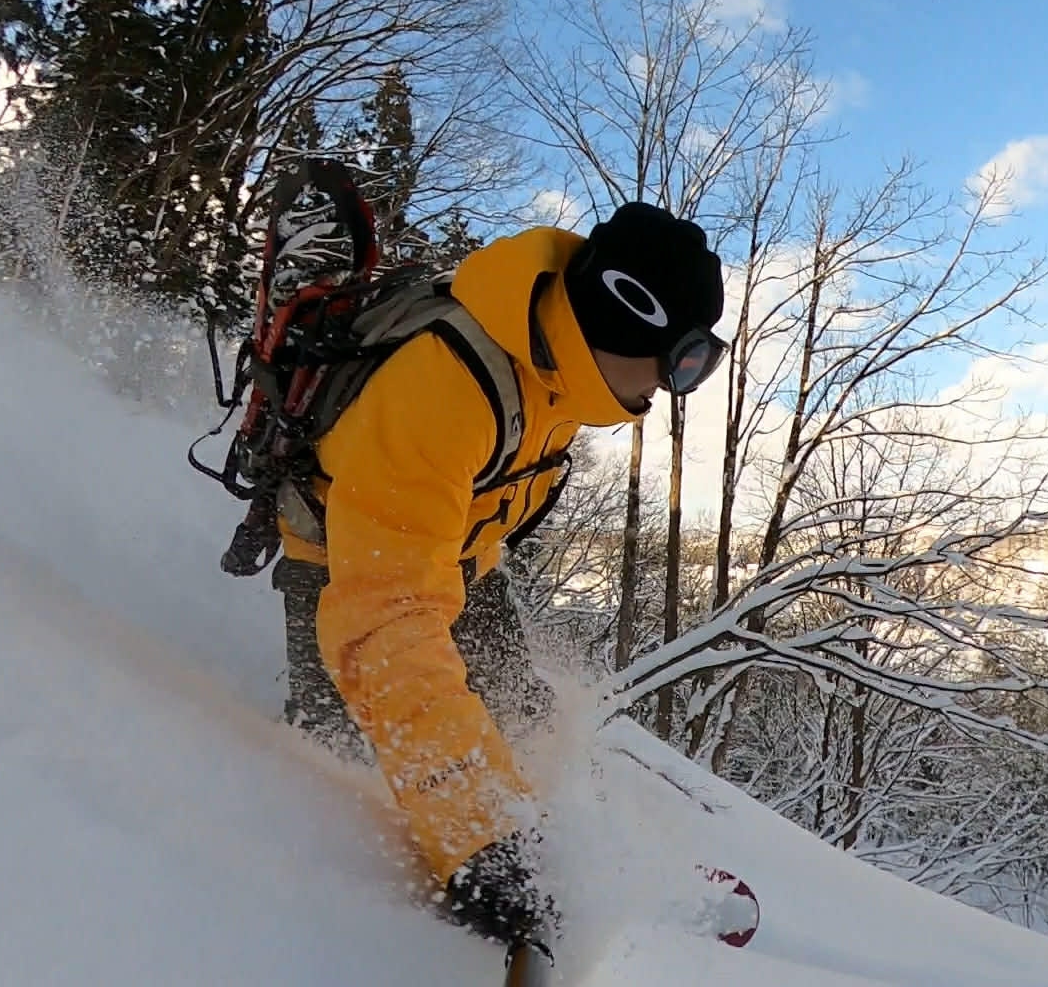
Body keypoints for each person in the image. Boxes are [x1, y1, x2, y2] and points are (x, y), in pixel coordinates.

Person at [267, 201, 728, 953]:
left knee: (524, 716)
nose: (681, 386)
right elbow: (386, 622)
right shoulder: (444, 392)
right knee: (337, 754)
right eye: (683, 361)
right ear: (622, 317)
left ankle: (554, 825)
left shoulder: (563, 369)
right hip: (342, 565)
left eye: (702, 363)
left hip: (458, 568)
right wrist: (480, 837)